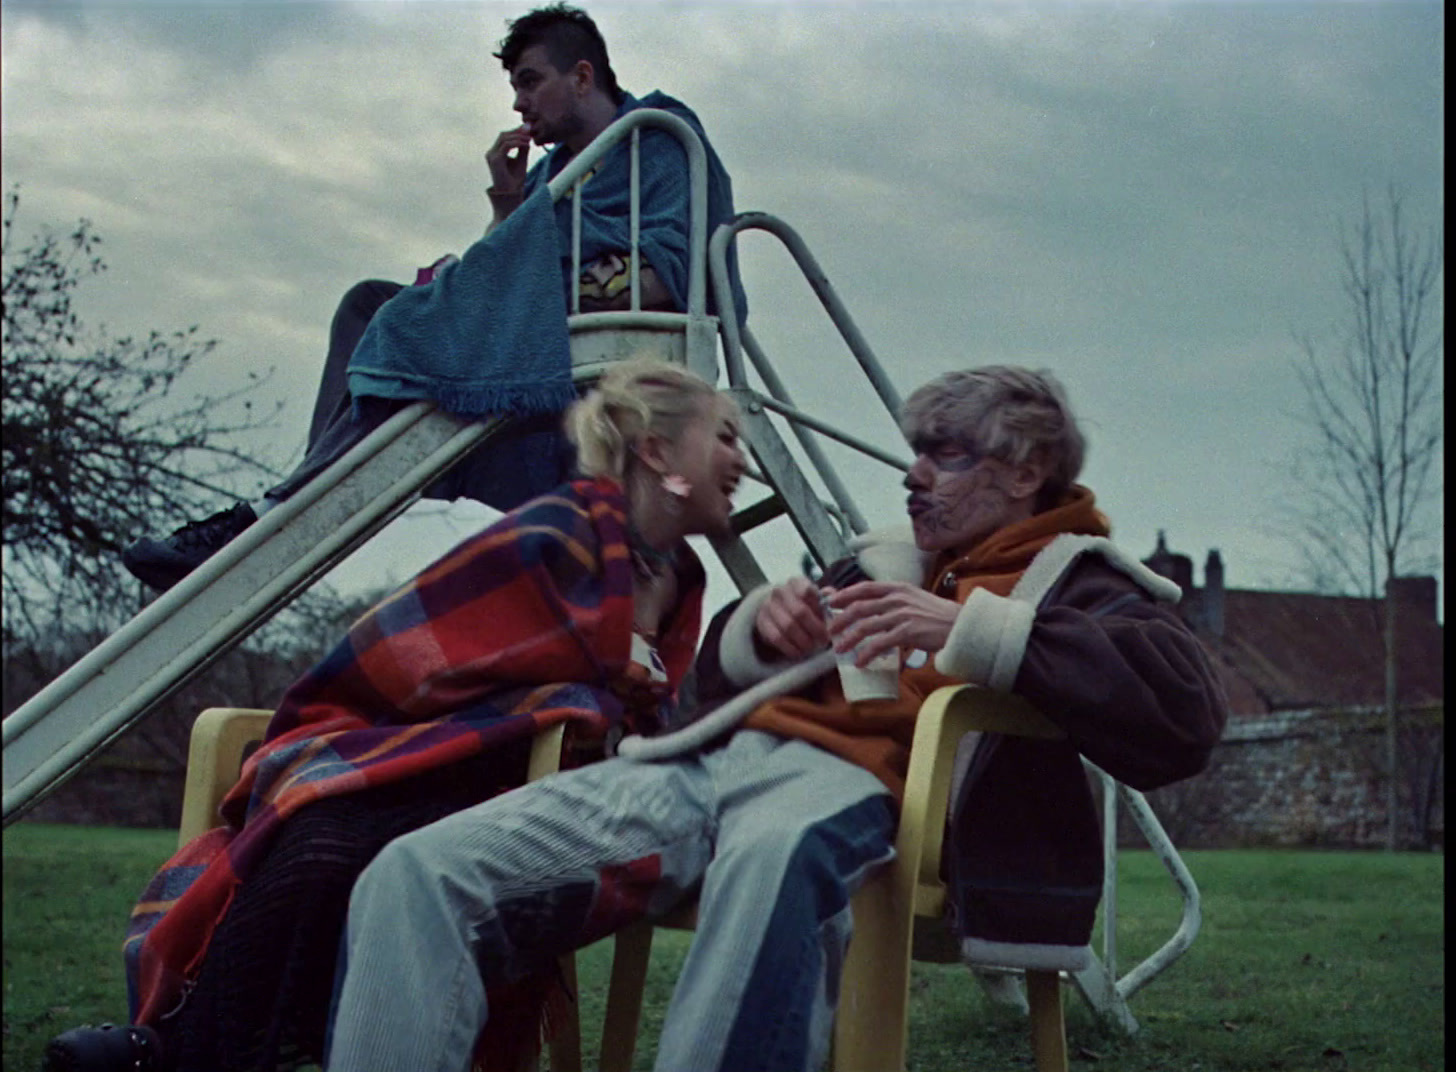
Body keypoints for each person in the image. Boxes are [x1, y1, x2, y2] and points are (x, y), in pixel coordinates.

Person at [321, 365, 1229, 1071]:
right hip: (708, 767)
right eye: (915, 450)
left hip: (853, 792)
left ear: (1027, 470)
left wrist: (971, 630)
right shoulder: (883, 560)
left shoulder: (1084, 578)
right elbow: (694, 700)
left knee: (773, 858)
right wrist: (757, 630)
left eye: (943, 455)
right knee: (418, 873)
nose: (911, 476)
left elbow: (1187, 713)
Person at [43, 357, 746, 1072]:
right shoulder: (560, 531)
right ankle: (196, 1045)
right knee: (327, 846)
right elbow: (429, 651)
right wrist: (577, 705)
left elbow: (637, 710)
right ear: (658, 451)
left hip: (523, 783)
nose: (740, 460)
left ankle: (216, 1049)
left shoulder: (678, 578)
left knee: (412, 863)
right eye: (724, 437)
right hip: (419, 744)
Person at [122, 2, 747, 593]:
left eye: (531, 82)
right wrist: (507, 206)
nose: (520, 103)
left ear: (582, 77)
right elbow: (503, 274)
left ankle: (279, 511)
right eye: (515, 89)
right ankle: (303, 495)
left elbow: (667, 273)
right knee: (370, 303)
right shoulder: (546, 178)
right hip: (536, 363)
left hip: (600, 383)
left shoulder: (655, 139)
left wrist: (532, 297)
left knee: (404, 317)